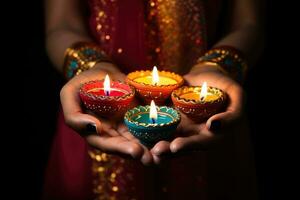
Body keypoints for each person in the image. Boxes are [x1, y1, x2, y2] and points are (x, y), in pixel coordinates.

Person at [43, 0, 264, 199]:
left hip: (206, 117)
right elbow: (61, 25)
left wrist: (218, 66)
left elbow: (249, 24)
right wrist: (90, 65)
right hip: (100, 118)